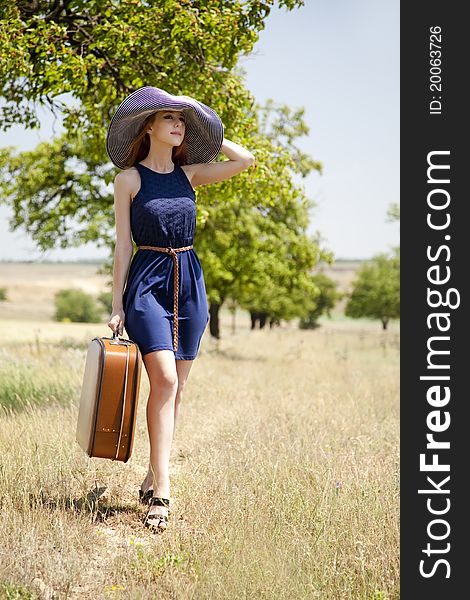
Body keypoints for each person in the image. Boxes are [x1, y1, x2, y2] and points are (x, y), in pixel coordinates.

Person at [105, 87, 255, 532]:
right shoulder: (129, 180)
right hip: (148, 281)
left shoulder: (190, 174)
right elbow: (120, 246)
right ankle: (164, 492)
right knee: (165, 379)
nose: (177, 124)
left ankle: (153, 473)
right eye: (168, 117)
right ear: (147, 126)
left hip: (189, 282)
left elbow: (245, 160)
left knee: (177, 388)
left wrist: (198, 110)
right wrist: (116, 306)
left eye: (182, 120)